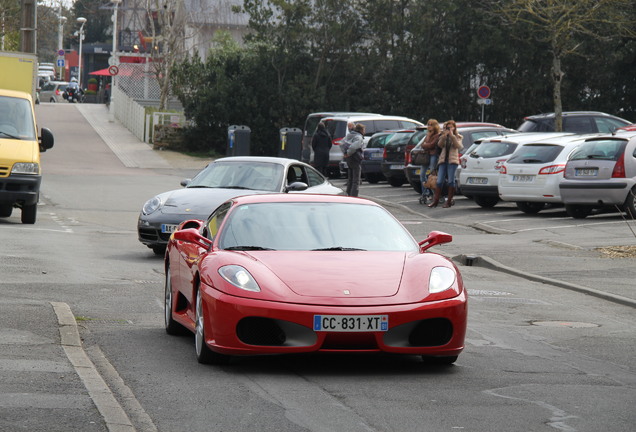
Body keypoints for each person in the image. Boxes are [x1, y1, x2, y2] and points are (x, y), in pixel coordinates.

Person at [428, 120, 463, 208]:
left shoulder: (458, 137)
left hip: (452, 161)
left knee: (451, 181)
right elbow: (439, 145)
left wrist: (452, 136)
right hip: (443, 161)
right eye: (447, 127)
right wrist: (444, 136)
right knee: (439, 181)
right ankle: (435, 201)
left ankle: (449, 201)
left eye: (450, 127)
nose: (449, 129)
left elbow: (459, 147)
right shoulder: (443, 136)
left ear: (454, 128)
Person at [418, 119, 441, 204]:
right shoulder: (427, 134)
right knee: (422, 174)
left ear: (435, 126)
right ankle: (426, 192)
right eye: (428, 124)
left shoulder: (437, 135)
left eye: (431, 124)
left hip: (433, 155)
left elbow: (432, 145)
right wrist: (426, 144)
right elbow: (422, 144)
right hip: (426, 155)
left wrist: (425, 145)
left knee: (432, 174)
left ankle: (433, 192)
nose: (429, 126)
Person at [343, 123, 366, 197]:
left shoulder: (349, 135)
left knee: (350, 179)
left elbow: (341, 143)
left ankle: (348, 195)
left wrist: (345, 153)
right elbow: (354, 147)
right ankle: (354, 197)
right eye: (364, 130)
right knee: (356, 181)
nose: (364, 131)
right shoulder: (358, 137)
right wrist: (349, 153)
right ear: (361, 130)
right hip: (355, 158)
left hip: (349, 159)